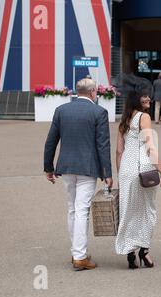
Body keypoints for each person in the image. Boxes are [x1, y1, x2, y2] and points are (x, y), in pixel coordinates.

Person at [44, 78, 112, 271]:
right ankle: (80, 257)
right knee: (82, 210)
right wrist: (107, 172)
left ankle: (76, 251)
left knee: (72, 209)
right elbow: (103, 145)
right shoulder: (99, 112)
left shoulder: (61, 110)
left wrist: (48, 167)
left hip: (66, 167)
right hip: (87, 168)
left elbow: (51, 141)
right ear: (93, 92)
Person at [116, 92, 161, 269]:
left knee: (128, 211)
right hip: (142, 169)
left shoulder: (124, 120)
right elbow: (150, 146)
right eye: (144, 97)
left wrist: (120, 175)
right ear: (135, 98)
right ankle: (144, 251)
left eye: (149, 97)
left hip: (126, 170)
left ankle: (130, 251)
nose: (149, 100)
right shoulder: (144, 117)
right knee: (148, 211)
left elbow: (119, 151)